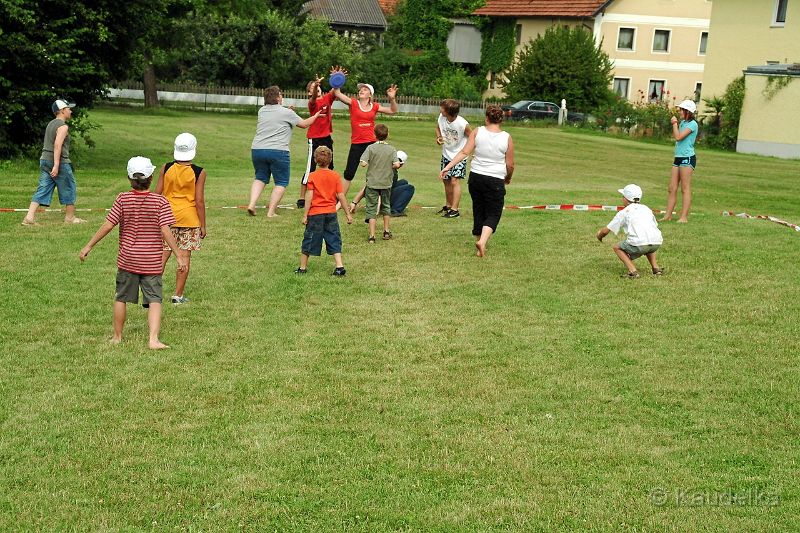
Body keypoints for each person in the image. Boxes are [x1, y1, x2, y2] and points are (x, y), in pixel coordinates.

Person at [79, 157, 188, 349]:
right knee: (155, 300)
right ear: (152, 177)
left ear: (129, 179)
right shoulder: (160, 201)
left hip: (127, 259)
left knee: (121, 297)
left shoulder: (122, 198)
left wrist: (89, 245)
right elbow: (165, 230)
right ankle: (153, 339)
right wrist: (178, 254)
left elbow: (108, 225)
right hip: (152, 261)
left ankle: (117, 337)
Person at [440, 105, 514, 257]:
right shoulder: (506, 137)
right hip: (495, 179)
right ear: (501, 120)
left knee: (478, 210)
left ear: (487, 118)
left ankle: (479, 246)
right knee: (493, 213)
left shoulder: (477, 131)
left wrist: (447, 167)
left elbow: (464, 152)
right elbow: (510, 164)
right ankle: (482, 242)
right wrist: (508, 177)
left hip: (476, 178)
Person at [247, 86, 321, 217]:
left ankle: (252, 204)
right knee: (281, 182)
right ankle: (271, 212)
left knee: (260, 178)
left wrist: (287, 111)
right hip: (278, 151)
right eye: (280, 95)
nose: (282, 96)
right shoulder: (287, 113)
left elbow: (277, 116)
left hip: (257, 150)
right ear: (277, 97)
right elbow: (304, 124)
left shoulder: (262, 111)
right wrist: (315, 116)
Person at [155, 132, 206, 305]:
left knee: (163, 254)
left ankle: (152, 291)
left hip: (166, 218)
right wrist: (203, 225)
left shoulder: (166, 167)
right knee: (184, 257)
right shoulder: (199, 172)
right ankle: (178, 295)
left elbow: (157, 193)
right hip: (189, 219)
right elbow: (199, 201)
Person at [22, 99, 86, 226]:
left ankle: (29, 217)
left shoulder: (50, 124)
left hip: (44, 160)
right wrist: (56, 165)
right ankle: (70, 218)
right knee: (69, 187)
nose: (71, 111)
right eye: (68, 108)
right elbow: (57, 145)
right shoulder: (63, 126)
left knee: (43, 188)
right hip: (59, 162)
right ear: (62, 111)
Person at [332, 74, 398, 196]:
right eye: (361, 89)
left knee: (376, 173)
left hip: (372, 144)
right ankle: (338, 200)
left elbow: (393, 111)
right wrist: (336, 80)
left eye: (365, 89)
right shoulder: (353, 103)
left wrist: (392, 99)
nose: (362, 90)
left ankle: (374, 200)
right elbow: (338, 94)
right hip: (357, 144)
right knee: (349, 173)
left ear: (370, 95)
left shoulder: (375, 106)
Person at [296, 146, 353, 275]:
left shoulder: (312, 176)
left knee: (309, 239)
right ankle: (339, 266)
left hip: (315, 214)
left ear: (315, 160)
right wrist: (348, 214)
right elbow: (341, 196)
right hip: (331, 213)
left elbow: (309, 196)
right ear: (330, 160)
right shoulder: (335, 176)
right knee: (334, 238)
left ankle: (302, 268)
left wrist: (305, 215)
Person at [597, 184, 663, 278]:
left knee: (617, 247)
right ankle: (656, 268)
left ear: (626, 198)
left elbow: (605, 231)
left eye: (623, 196)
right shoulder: (646, 208)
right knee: (648, 240)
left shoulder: (624, 212)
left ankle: (633, 271)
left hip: (639, 244)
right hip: (656, 242)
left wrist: (599, 235)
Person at [297, 76, 336, 209]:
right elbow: (314, 98)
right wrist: (315, 86)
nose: (317, 89)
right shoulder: (311, 102)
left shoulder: (327, 98)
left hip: (326, 137)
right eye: (313, 88)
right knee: (311, 168)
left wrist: (337, 77)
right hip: (314, 138)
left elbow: (335, 90)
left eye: (318, 87)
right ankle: (302, 198)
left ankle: (330, 195)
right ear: (309, 93)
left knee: (329, 167)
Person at [359, 124, 401, 243]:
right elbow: (396, 164)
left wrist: (366, 163)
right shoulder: (392, 149)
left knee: (371, 208)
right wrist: (393, 165)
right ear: (387, 135)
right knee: (386, 206)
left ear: (374, 135)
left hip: (372, 183)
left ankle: (372, 236)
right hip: (386, 182)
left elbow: (363, 163)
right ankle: (386, 231)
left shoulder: (370, 148)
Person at [662, 99, 699, 223]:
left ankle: (683, 217)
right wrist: (677, 124)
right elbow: (677, 136)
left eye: (681, 109)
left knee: (685, 188)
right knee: (672, 188)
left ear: (688, 111)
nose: (679, 111)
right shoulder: (682, 122)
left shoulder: (692, 124)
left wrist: (674, 124)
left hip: (687, 158)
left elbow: (678, 137)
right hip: (678, 157)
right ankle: (668, 215)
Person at [435, 99, 471, 218]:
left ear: (448, 111)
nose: (440, 109)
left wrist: (468, 151)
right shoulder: (441, 117)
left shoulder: (462, 124)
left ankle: (455, 210)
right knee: (446, 180)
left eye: (442, 108)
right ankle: (448, 206)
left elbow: (472, 137)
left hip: (459, 155)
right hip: (446, 153)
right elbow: (437, 128)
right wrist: (439, 137)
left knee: (455, 181)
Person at [390, 151, 414, 217]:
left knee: (404, 182)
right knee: (410, 188)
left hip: (377, 195)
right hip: (382, 197)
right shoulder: (392, 173)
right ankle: (395, 210)